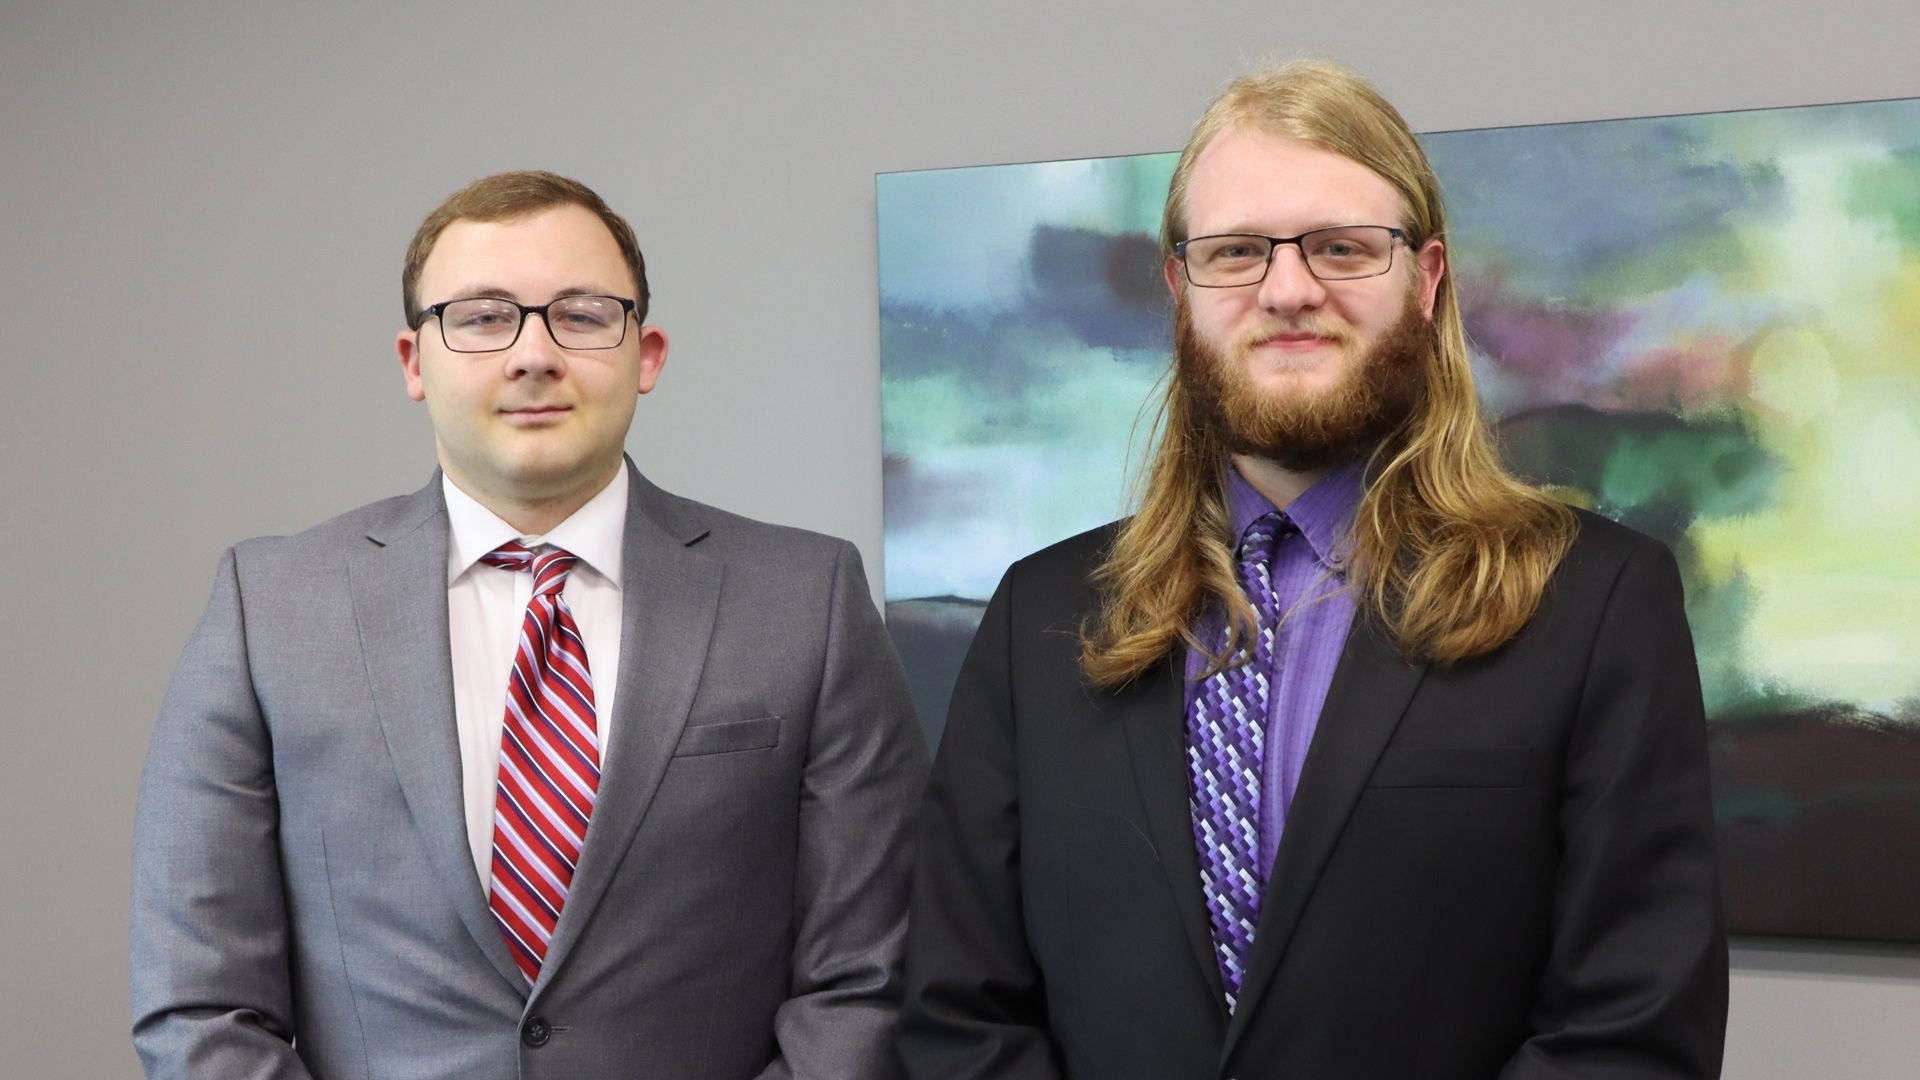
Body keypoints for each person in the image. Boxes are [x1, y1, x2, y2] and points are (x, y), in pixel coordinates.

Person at [899, 61, 1728, 1079]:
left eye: (1341, 247)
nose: (1288, 289)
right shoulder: (1042, 614)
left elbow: (1631, 1034)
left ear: (1425, 280)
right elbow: (957, 1012)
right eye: (1238, 251)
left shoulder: (1596, 604)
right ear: (1181, 288)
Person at [131, 170, 928, 1079]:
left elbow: (868, 982)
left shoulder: (806, 599)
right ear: (412, 362)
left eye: (583, 315)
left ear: (648, 352)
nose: (533, 354)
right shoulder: (268, 607)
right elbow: (197, 1001)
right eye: (480, 317)